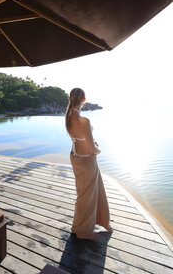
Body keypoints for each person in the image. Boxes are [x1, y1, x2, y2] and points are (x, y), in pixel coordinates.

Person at [65, 88, 112, 240]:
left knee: (84, 194)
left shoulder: (68, 116)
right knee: (88, 196)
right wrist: (98, 150)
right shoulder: (84, 120)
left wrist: (91, 143)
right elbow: (92, 148)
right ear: (84, 100)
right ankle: (84, 232)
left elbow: (78, 138)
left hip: (75, 157)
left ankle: (80, 225)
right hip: (86, 160)